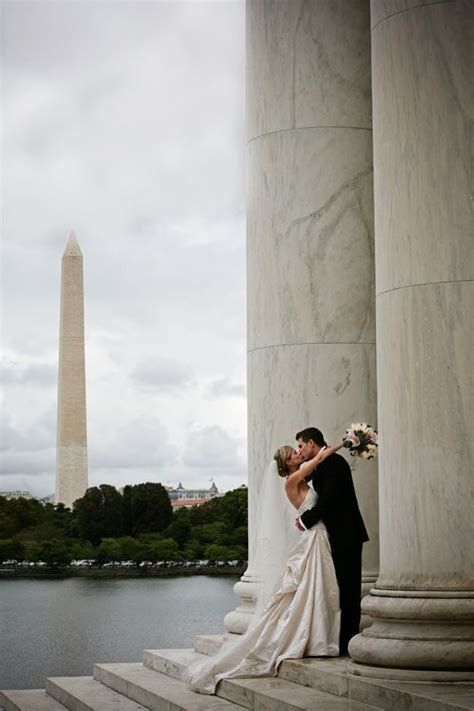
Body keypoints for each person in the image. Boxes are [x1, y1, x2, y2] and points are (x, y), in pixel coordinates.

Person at [184, 440, 344, 695]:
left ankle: (317, 636)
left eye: (299, 449)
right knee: (313, 589)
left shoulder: (302, 479)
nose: (298, 453)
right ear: (287, 462)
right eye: (294, 453)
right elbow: (319, 459)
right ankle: (312, 638)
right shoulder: (292, 481)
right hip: (314, 537)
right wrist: (347, 441)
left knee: (318, 589)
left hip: (317, 535)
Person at [295, 427, 369, 655]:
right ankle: (341, 638)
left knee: (348, 588)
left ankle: (348, 642)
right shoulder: (324, 462)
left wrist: (305, 520)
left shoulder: (333, 463)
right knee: (339, 588)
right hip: (337, 534)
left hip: (346, 534)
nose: (300, 450)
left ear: (311, 443)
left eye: (300, 446)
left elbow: (328, 500)